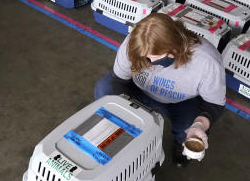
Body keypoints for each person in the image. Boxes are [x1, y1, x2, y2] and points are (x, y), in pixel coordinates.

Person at [93, 13, 225, 166]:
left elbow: (214, 103)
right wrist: (124, 114)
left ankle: (179, 143)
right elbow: (118, 80)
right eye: (144, 58)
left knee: (187, 131)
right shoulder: (134, 44)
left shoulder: (207, 61)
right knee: (104, 89)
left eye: (154, 58)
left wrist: (200, 124)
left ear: (175, 48)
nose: (149, 63)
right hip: (138, 91)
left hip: (182, 101)